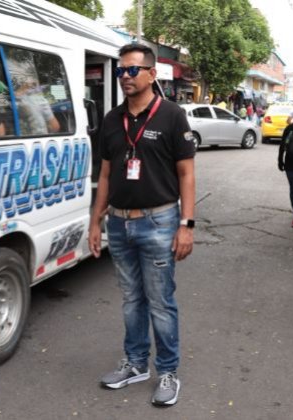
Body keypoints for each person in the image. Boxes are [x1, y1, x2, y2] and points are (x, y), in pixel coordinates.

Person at [88, 43, 196, 407]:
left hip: (160, 221)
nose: (125, 77)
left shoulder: (171, 115)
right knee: (132, 299)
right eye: (121, 71)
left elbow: (187, 173)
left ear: (152, 74)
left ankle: (167, 371)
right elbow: (104, 172)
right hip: (119, 224)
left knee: (161, 302)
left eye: (132, 70)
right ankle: (135, 364)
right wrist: (95, 220)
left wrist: (186, 224)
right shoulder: (111, 119)